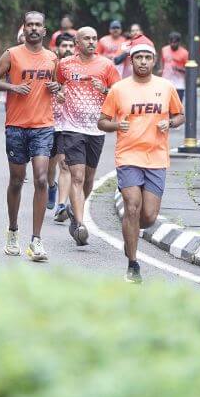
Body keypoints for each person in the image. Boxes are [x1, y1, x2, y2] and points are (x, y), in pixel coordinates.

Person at [98, 40, 184, 283]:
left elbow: (180, 115)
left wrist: (171, 122)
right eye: (139, 57)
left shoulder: (166, 87)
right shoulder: (119, 89)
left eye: (147, 58)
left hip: (156, 157)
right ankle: (133, 264)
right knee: (132, 206)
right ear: (131, 60)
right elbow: (102, 122)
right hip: (128, 156)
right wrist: (117, 125)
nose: (143, 62)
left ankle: (131, 233)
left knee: (148, 217)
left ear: (154, 60)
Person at [0, 11, 61, 262]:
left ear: (44, 30)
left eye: (38, 25)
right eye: (30, 25)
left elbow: (58, 85)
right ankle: (13, 231)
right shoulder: (12, 54)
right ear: (24, 28)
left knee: (41, 178)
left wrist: (57, 86)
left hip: (43, 126)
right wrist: (12, 87)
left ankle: (36, 240)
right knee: (17, 180)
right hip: (16, 126)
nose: (34, 28)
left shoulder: (52, 57)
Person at [57, 26, 120, 245]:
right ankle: (80, 225)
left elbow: (120, 93)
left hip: (96, 128)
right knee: (77, 176)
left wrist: (104, 90)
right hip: (72, 128)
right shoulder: (65, 64)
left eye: (94, 38)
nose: (92, 42)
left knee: (89, 178)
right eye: (87, 38)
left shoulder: (106, 65)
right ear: (77, 43)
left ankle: (75, 210)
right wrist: (60, 93)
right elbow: (58, 84)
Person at [49, 32, 76, 221]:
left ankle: (60, 205)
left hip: (68, 123)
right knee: (48, 166)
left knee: (64, 164)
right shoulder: (50, 66)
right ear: (56, 48)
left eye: (70, 46)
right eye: (64, 46)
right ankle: (51, 185)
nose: (67, 49)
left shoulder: (78, 69)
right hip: (47, 122)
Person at [159, 31, 189, 115]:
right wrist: (161, 69)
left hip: (179, 84)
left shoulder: (184, 53)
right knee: (165, 103)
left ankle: (176, 119)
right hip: (166, 82)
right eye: (171, 42)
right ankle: (168, 119)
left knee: (177, 106)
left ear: (179, 42)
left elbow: (188, 70)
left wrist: (179, 69)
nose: (173, 44)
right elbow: (162, 60)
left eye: (175, 42)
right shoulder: (164, 49)